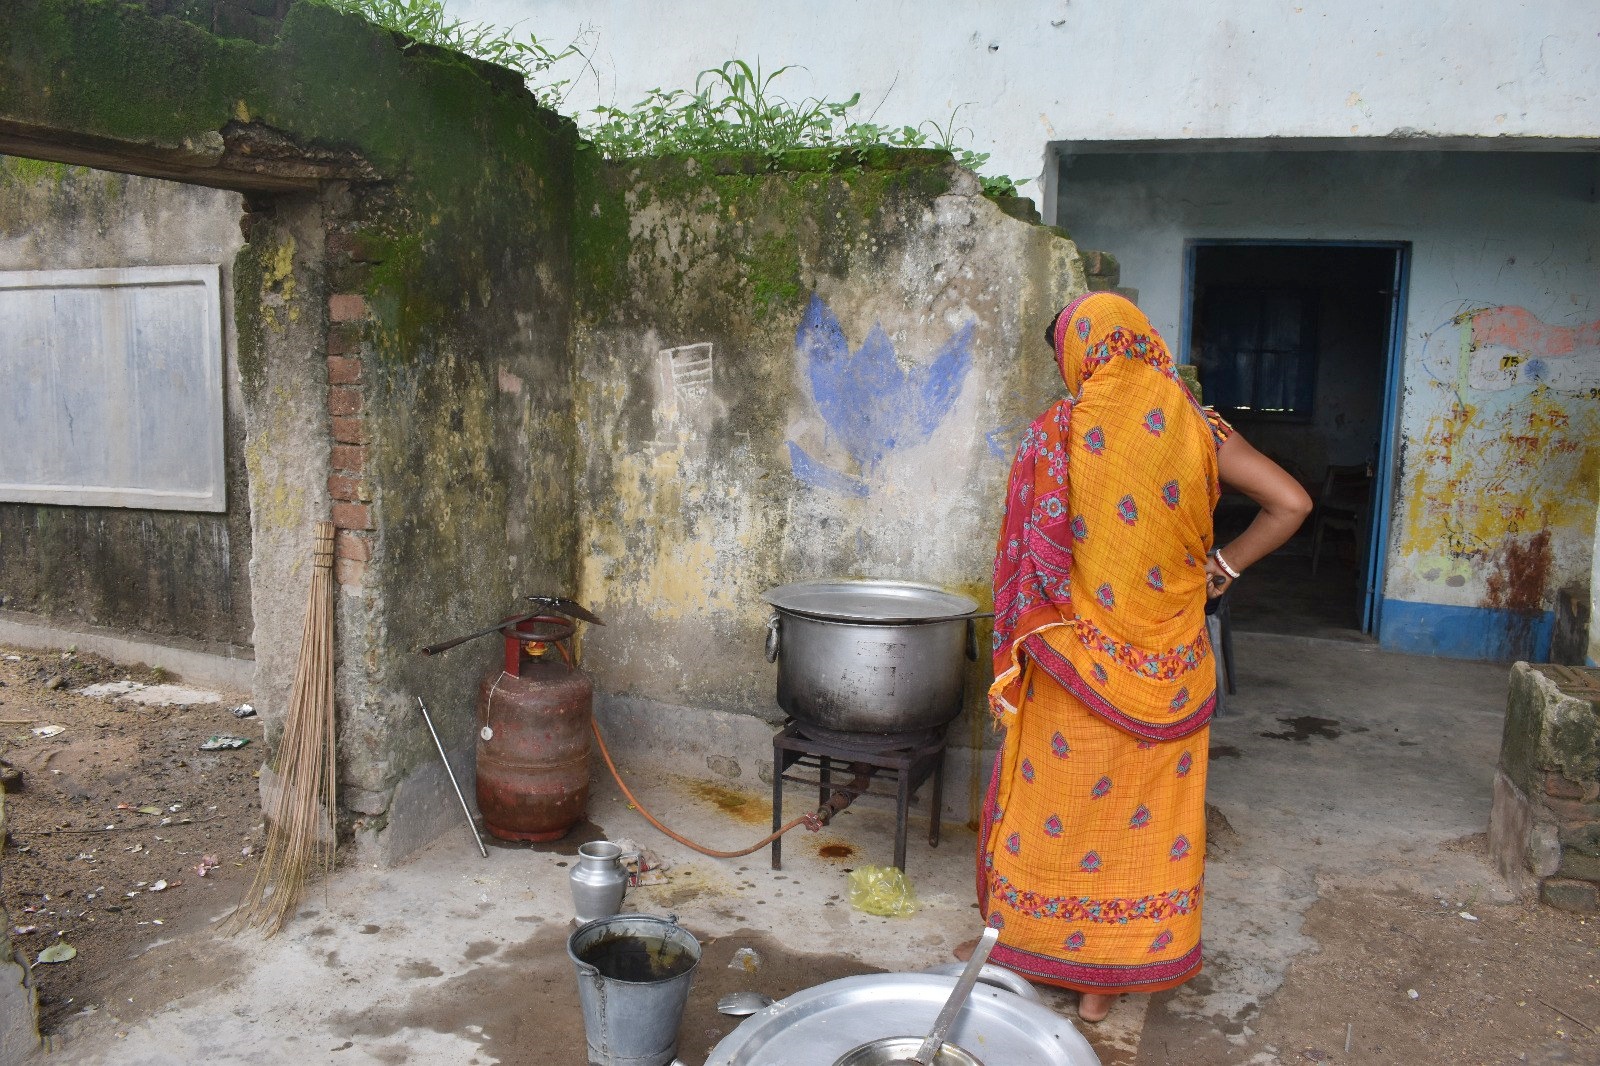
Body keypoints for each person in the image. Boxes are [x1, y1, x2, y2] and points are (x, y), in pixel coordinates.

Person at [972, 291, 1310, 1022]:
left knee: (1061, 817)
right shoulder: (1199, 425)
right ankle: (1103, 993)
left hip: (1075, 676)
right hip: (1174, 675)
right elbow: (1292, 502)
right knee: (1140, 830)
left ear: (1080, 353)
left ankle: (1045, 955)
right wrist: (1223, 566)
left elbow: (1032, 557)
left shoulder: (1059, 430)